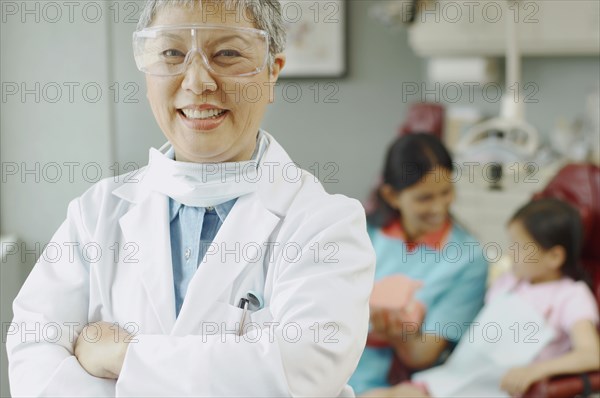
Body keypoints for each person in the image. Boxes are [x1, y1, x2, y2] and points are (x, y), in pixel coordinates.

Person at [6, 1, 375, 396]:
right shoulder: (96, 213)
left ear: (272, 72)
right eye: (172, 53)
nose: (198, 81)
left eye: (228, 53)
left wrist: (125, 357)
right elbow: (34, 355)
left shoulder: (325, 223)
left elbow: (299, 373)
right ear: (147, 72)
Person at [362, 198, 600, 397]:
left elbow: (592, 355)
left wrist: (536, 371)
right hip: (461, 378)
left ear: (554, 256)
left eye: (519, 247)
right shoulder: (510, 283)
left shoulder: (571, 295)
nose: (511, 253)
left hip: (498, 389)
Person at [348, 133, 488, 394]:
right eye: (424, 198)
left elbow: (423, 354)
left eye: (446, 192)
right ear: (391, 195)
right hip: (323, 366)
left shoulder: (469, 259)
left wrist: (396, 334)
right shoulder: (358, 234)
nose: (439, 207)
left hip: (387, 385)